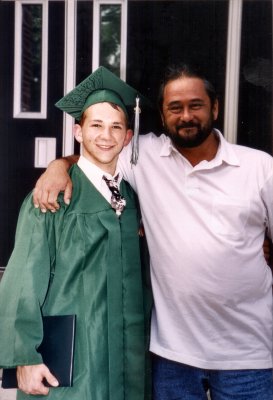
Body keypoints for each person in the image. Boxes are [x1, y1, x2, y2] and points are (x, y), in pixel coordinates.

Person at [33, 63, 273, 399]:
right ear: (162, 116)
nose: (186, 115)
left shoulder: (259, 167)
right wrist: (58, 166)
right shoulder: (142, 156)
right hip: (173, 356)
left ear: (214, 108)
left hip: (247, 354)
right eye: (175, 108)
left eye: (196, 105)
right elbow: (98, 154)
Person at [0, 66, 152, 400]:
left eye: (116, 127)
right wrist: (23, 357)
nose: (106, 136)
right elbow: (24, 277)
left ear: (128, 136)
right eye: (96, 125)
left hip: (127, 357)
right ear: (78, 132)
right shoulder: (52, 196)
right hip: (73, 357)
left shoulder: (133, 197)